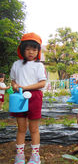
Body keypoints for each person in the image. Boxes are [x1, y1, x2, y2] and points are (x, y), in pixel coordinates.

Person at [10, 32, 47, 164]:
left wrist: (25, 87)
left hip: (35, 97)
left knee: (34, 128)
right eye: (28, 49)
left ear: (38, 51)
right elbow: (13, 81)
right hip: (19, 97)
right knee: (21, 127)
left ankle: (35, 156)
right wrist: (15, 86)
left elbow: (42, 83)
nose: (31, 52)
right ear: (22, 49)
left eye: (34, 49)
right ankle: (19, 155)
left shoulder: (39, 65)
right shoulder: (16, 64)